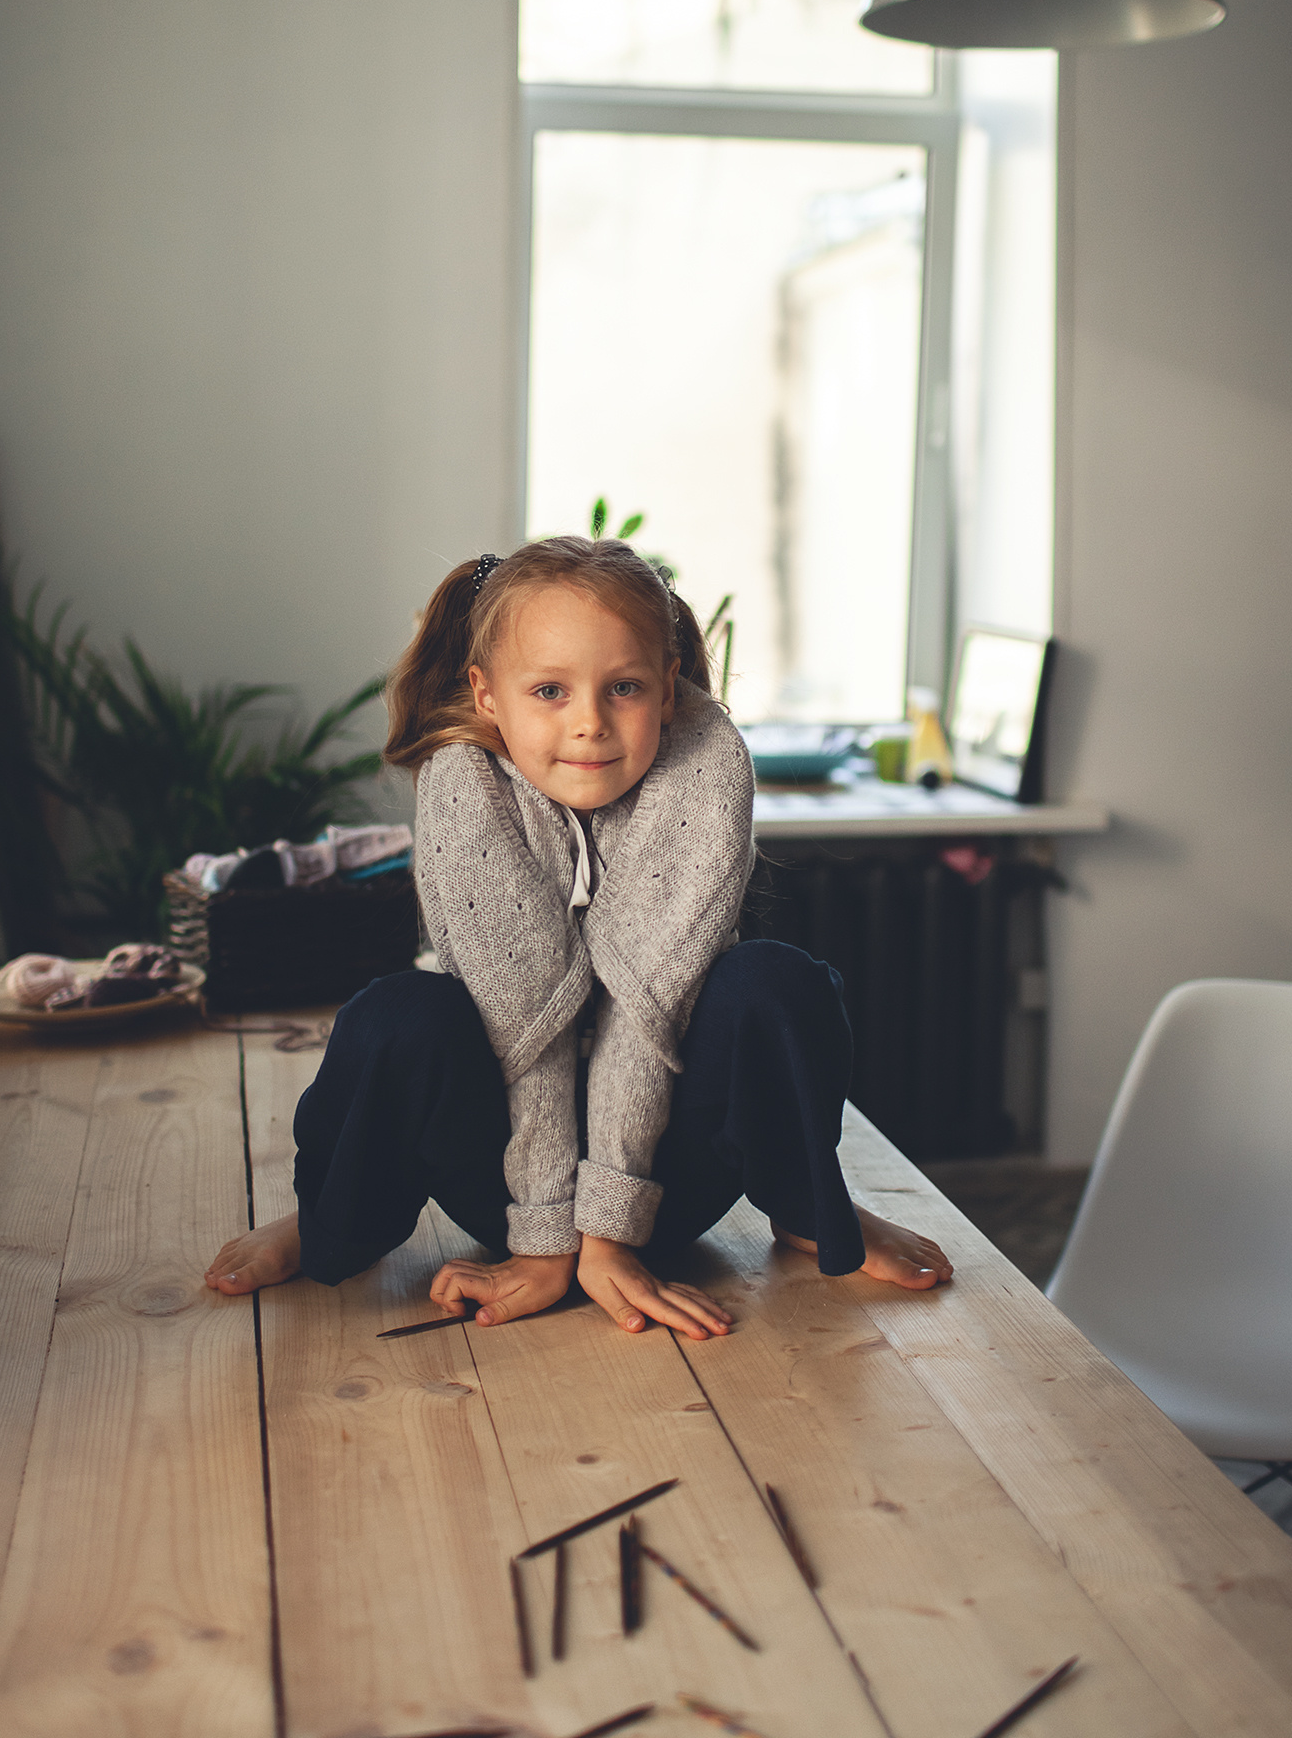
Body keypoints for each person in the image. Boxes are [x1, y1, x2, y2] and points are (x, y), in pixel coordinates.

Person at [205, 536, 951, 1337]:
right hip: (504, 1170)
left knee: (777, 981)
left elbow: (643, 1015)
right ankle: (330, 1217)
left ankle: (808, 1207)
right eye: (550, 691)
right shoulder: (463, 785)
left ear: (668, 689)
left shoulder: (705, 770)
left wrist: (607, 1239)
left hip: (673, 1165)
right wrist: (544, 1246)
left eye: (623, 688)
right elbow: (527, 1033)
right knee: (397, 1014)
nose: (590, 724)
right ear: (488, 696)